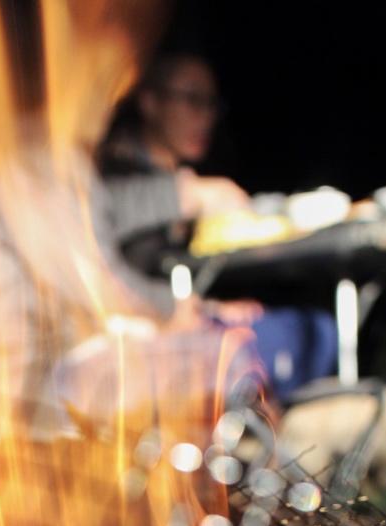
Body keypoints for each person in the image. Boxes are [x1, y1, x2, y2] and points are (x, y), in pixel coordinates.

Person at [98, 51, 338, 402]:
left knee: (315, 330)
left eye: (211, 104)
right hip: (123, 338)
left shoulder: (172, 171)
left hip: (173, 322)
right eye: (193, 100)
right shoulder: (112, 164)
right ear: (149, 102)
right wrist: (192, 193)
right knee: (303, 337)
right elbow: (101, 221)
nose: (205, 117)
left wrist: (209, 308)